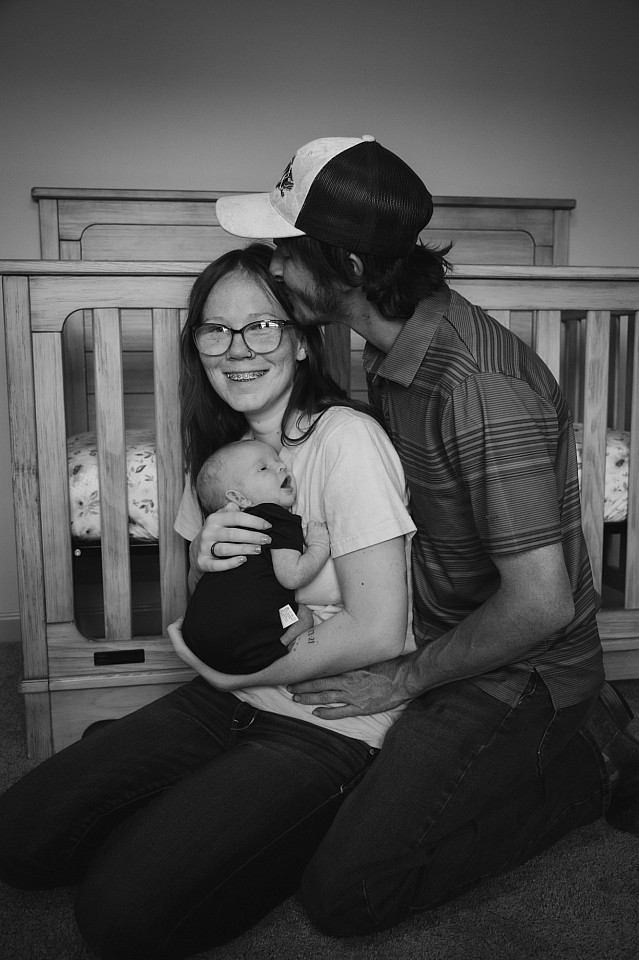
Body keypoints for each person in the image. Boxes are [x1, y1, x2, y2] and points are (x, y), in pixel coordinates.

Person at [212, 135, 639, 936]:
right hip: (446, 633)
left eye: (286, 252)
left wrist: (403, 679)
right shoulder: (393, 346)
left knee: (346, 895)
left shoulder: (479, 387)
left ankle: (594, 759)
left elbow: (539, 606)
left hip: (520, 670)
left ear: (349, 267)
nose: (274, 269)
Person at [0, 243, 416, 960]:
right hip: (223, 698)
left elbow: (379, 630)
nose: (237, 349)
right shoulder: (221, 459)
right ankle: (195, 810)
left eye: (262, 326)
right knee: (19, 839)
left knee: (119, 917)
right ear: (196, 346)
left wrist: (230, 673)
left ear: (301, 340)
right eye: (215, 331)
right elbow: (214, 610)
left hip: (326, 720)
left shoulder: (346, 440)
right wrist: (204, 566)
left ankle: (307, 817)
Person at [181, 438, 329, 672]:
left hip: (195, 636)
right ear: (239, 499)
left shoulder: (222, 528)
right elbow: (291, 576)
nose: (281, 466)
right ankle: (278, 645)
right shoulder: (276, 518)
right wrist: (319, 545)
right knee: (303, 616)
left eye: (278, 460)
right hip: (246, 642)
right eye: (263, 468)